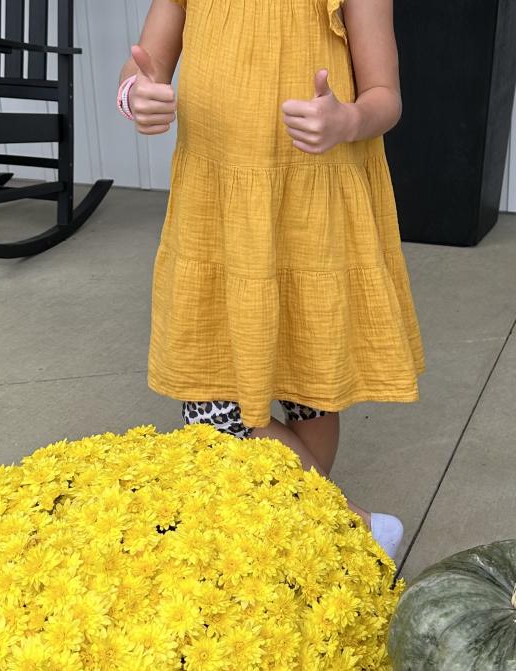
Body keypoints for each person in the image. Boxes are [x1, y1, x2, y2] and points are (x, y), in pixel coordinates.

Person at [116, 0, 424, 559]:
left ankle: (304, 527)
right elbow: (145, 63)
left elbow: (386, 96)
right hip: (218, 207)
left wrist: (347, 119)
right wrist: (136, 94)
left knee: (309, 388)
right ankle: (350, 530)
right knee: (211, 406)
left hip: (310, 199)